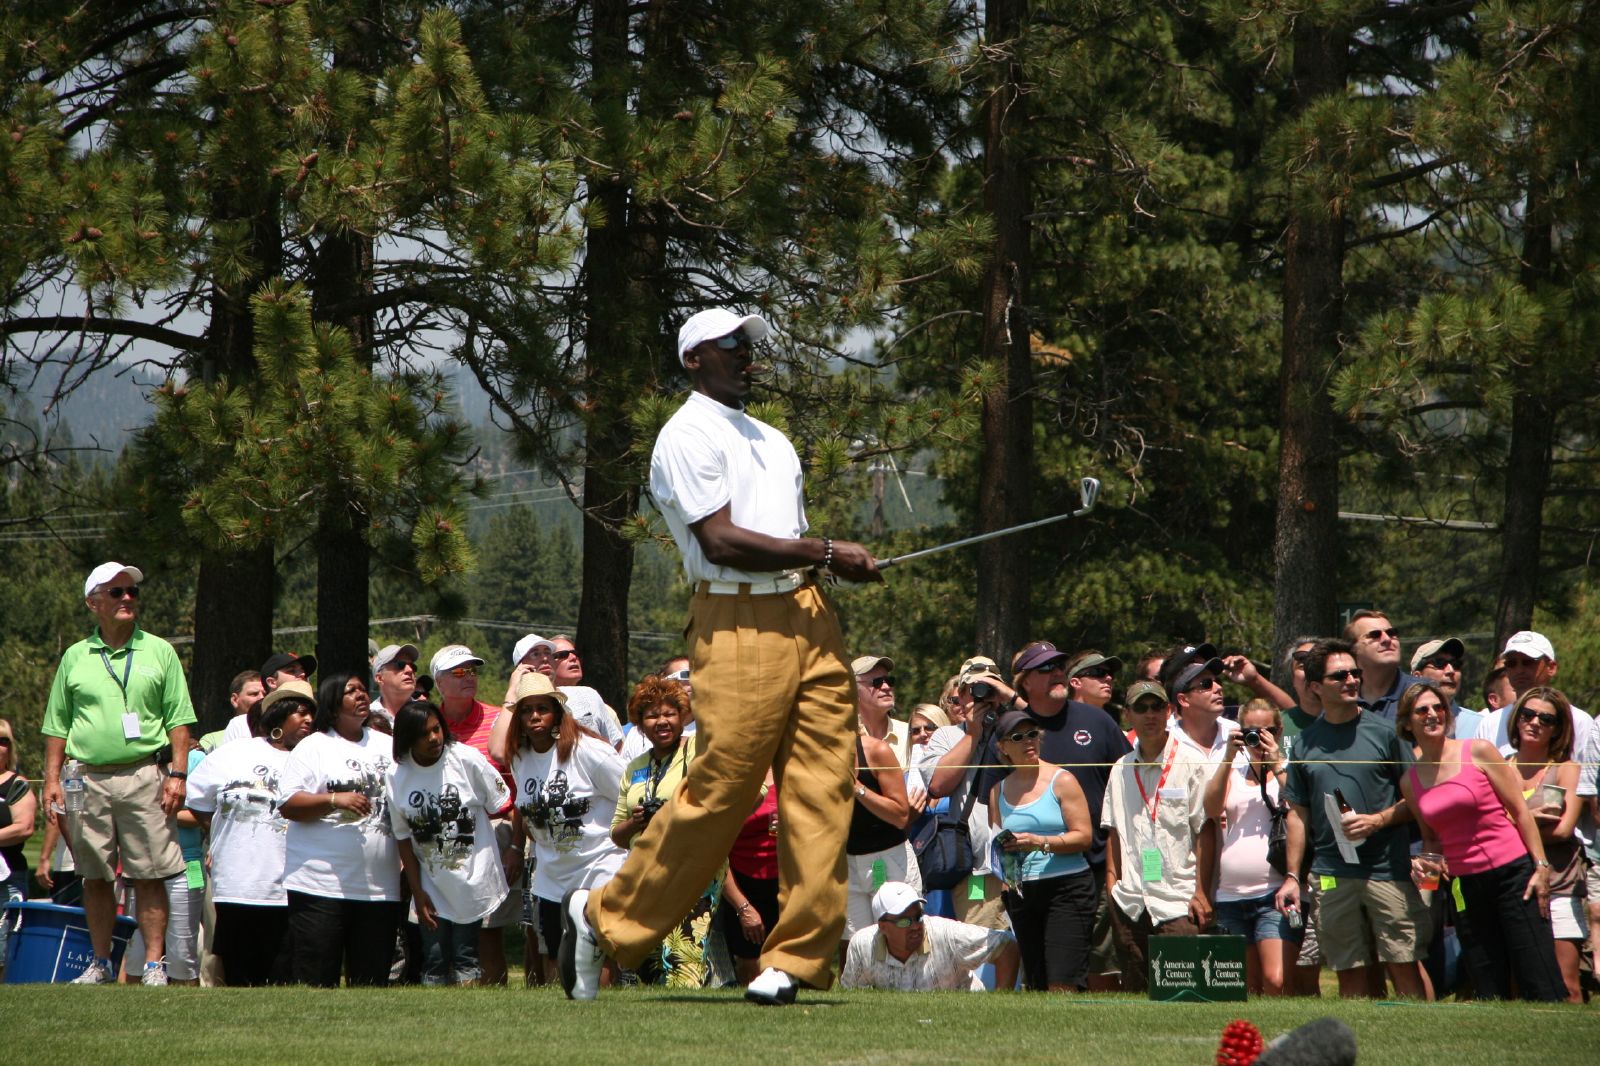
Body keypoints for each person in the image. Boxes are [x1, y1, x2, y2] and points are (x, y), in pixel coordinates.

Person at [563, 306, 881, 1007]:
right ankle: (602, 917)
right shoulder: (685, 435)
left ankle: (792, 958)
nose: (746, 356)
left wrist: (820, 566)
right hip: (734, 614)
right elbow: (721, 541)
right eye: (730, 346)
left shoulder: (774, 438)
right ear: (693, 359)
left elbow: (782, 537)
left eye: (749, 346)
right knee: (724, 789)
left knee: (824, 786)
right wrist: (831, 552)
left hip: (807, 610)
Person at [41, 561, 195, 986]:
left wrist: (177, 775)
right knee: (94, 875)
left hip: (144, 773)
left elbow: (180, 720)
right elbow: (57, 724)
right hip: (85, 777)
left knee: (148, 873)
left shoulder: (159, 651)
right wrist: (52, 779)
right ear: (94, 603)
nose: (128, 598)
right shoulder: (75, 656)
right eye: (117, 592)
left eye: (132, 592)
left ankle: (153, 966)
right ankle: (100, 962)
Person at [1275, 639, 1429, 999]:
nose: (1351, 680)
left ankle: (1424, 1040)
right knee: (1349, 971)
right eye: (1339, 675)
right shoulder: (1304, 744)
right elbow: (1298, 814)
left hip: (1386, 870)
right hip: (1331, 874)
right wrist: (1293, 876)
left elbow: (1417, 799)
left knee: (1403, 964)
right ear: (1315, 687)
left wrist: (1378, 821)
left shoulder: (1387, 733)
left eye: (1354, 673)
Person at [1394, 681, 1562, 1001]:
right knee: (1487, 979)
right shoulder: (1410, 780)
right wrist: (1426, 877)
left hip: (1514, 873)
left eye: (1439, 707)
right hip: (1465, 884)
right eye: (1423, 710)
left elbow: (1520, 812)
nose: (1433, 714)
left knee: (1536, 971)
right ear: (1406, 722)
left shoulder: (1478, 751)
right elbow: (1431, 839)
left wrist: (1540, 865)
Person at [185, 679, 316, 985]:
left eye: (312, 714)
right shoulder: (233, 754)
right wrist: (226, 834)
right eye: (300, 713)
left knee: (283, 975)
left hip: (293, 886)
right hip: (237, 884)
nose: (309, 719)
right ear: (278, 717)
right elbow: (199, 804)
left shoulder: (313, 759)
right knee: (240, 975)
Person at [278, 672, 401, 987]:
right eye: (351, 690)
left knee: (371, 985)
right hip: (320, 886)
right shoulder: (313, 747)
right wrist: (334, 799)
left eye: (362, 689)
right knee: (317, 982)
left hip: (379, 886)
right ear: (333, 704)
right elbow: (289, 804)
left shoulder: (388, 746)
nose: (361, 694)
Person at [506, 671, 626, 987]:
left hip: (598, 865)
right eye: (527, 710)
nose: (534, 716)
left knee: (596, 947)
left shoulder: (588, 751)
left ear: (557, 712)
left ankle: (601, 1012)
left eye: (542, 708)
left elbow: (626, 794)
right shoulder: (521, 757)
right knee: (555, 951)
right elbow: (524, 808)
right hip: (551, 873)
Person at [387, 699, 512, 987]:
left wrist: (515, 850)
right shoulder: (397, 776)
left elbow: (505, 806)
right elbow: (403, 837)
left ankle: (467, 1014)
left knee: (467, 955)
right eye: (423, 734)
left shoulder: (466, 759)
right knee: (434, 957)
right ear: (406, 739)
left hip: (472, 876)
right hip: (431, 882)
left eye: (436, 729)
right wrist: (418, 892)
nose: (434, 738)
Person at [1102, 680, 1215, 992]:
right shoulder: (1120, 768)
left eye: (1156, 707)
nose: (1149, 714)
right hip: (1131, 900)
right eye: (1141, 707)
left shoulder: (1192, 762)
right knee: (1136, 993)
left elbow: (1205, 831)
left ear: (1169, 711)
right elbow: (1113, 830)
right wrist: (1113, 886)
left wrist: (1202, 892)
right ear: (1128, 714)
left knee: (1185, 994)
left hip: (1178, 898)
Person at [609, 675, 712, 985]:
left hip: (693, 865)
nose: (661, 721)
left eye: (669, 713)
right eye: (652, 715)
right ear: (640, 724)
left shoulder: (699, 751)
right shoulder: (635, 766)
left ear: (683, 716)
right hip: (646, 868)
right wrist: (636, 822)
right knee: (649, 959)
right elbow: (616, 833)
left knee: (683, 951)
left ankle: (689, 1005)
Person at [989, 708, 1096, 991]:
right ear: (1003, 747)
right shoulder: (997, 791)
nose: (1029, 741)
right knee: (1036, 982)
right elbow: (1002, 845)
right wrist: (1008, 886)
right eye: (1018, 736)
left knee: (1062, 980)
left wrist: (1041, 842)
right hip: (1023, 893)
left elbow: (1084, 837)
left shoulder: (1062, 780)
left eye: (1033, 734)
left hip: (1067, 888)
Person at [1204, 698, 1299, 995]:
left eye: (1268, 730)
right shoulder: (1233, 770)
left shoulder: (1289, 768)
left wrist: (1275, 761)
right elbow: (1210, 808)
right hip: (1230, 894)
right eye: (1251, 731)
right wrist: (1229, 757)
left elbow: (1300, 806)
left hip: (1273, 892)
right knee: (1246, 986)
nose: (1259, 737)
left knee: (1275, 981)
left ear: (1280, 731)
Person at [1505, 686, 1586, 1002]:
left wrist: (1513, 822)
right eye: (1528, 714)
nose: (1534, 722)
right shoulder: (1499, 766)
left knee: (1567, 984)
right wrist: (1532, 817)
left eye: (1546, 719)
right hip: (1510, 883)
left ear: (1558, 728)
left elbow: (1564, 829)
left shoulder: (1567, 769)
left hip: (1559, 883)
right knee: (1517, 981)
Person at [840, 882, 1019, 991]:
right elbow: (851, 993)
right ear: (883, 927)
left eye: (918, 917)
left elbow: (1006, 944)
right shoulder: (862, 945)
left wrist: (1002, 995)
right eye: (904, 921)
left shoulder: (946, 934)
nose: (916, 926)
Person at [843, 730, 915, 955]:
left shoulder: (876, 751)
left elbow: (901, 815)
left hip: (889, 858)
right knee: (856, 944)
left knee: (901, 938)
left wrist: (857, 789)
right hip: (847, 862)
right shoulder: (818, 756)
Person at [1475, 632, 1594, 758]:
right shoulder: (1490, 723)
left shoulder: (1579, 721)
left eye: (1528, 662)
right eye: (1511, 663)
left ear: (1551, 668)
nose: (1519, 669)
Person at [718, 769, 780, 986]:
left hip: (786, 886)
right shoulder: (734, 775)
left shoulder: (794, 769)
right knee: (750, 966)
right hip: (742, 884)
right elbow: (716, 853)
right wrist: (742, 907)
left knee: (788, 964)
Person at [0, 717, 37, 974]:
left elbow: (24, 827)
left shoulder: (17, 784)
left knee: (3, 947)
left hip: (8, 877)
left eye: (3, 741)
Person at [1342, 610, 1417, 721]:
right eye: (1375, 635)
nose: (1387, 639)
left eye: (1391, 633)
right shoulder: (1341, 701)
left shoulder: (1424, 693)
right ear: (1353, 649)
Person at [854, 654, 912, 769]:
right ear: (854, 691)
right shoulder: (844, 738)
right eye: (877, 682)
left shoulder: (910, 734)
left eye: (889, 680)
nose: (886, 687)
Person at [204, 670, 265, 751]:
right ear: (235, 700)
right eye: (254, 694)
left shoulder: (276, 734)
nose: (262, 698)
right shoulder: (211, 740)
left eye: (265, 694)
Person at [369, 644, 421, 723]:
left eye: (412, 666)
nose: (409, 670)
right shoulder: (367, 718)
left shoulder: (426, 714)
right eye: (400, 665)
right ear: (379, 678)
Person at [1065, 651, 1121, 717]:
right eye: (1099, 672)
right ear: (1076, 683)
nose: (1109, 678)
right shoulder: (1058, 724)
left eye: (1110, 673)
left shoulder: (1110, 726)